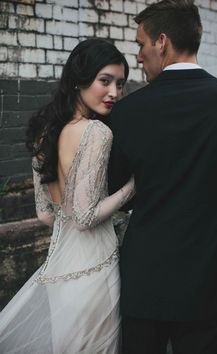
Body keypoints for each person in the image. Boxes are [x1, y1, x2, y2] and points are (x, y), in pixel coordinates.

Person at [108, 1, 217, 353]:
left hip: (145, 279)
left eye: (140, 44)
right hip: (208, 279)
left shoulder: (128, 112)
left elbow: (117, 189)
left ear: (161, 42)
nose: (138, 55)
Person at [0, 38, 135, 353]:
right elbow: (86, 217)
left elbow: (46, 214)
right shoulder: (97, 132)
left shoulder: (46, 132)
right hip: (95, 268)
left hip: (59, 272)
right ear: (79, 80)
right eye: (105, 81)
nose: (115, 92)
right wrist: (133, 186)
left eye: (120, 83)